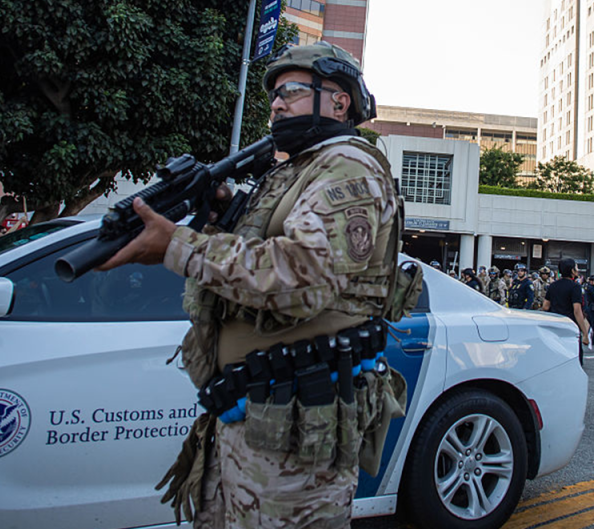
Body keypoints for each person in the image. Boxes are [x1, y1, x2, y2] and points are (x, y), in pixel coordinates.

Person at [97, 42, 406, 528]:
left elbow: (305, 276)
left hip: (296, 436)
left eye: (291, 91)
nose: (277, 104)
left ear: (339, 100)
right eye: (273, 97)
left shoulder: (347, 165)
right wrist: (224, 215)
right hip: (249, 412)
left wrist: (180, 247)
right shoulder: (295, 170)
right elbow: (263, 251)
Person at [542, 258, 591, 364]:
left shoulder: (553, 285)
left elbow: (545, 306)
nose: (577, 270)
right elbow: (577, 310)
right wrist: (585, 333)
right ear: (572, 271)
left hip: (555, 324)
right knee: (573, 357)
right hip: (570, 325)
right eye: (576, 268)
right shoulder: (575, 287)